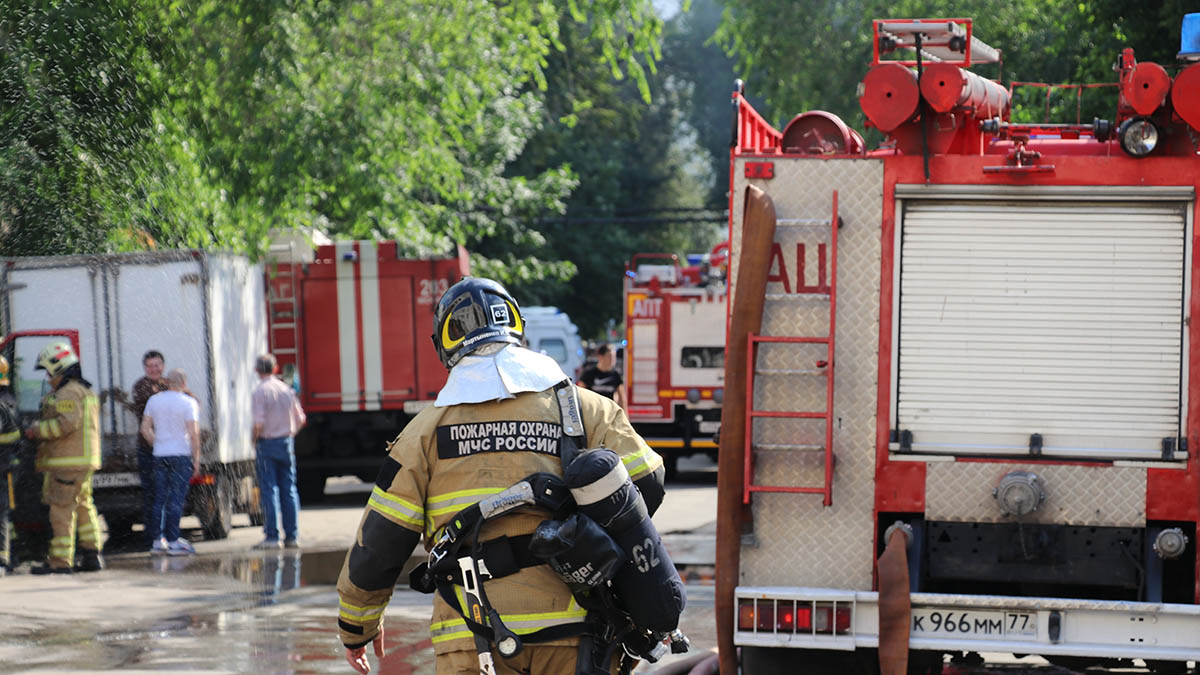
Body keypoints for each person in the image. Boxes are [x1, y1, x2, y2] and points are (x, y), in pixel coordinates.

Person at [335, 277, 666, 675]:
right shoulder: (586, 409)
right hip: (580, 637)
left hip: (473, 642)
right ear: (516, 326)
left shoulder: (423, 434)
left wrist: (358, 626)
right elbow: (648, 485)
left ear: (445, 343)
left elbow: (379, 546)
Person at [25, 340, 103, 575]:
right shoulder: (84, 390)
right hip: (84, 462)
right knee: (83, 506)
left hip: (66, 463)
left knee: (60, 511)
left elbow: (67, 424)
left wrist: (37, 430)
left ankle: (60, 562)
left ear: (59, 368)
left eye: (49, 371)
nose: (48, 377)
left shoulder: (68, 392)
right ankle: (92, 555)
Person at [140, 369, 201, 556]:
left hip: (160, 455)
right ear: (184, 384)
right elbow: (194, 433)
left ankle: (158, 540)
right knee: (176, 498)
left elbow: (145, 428)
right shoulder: (188, 403)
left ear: (166, 382)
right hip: (180, 455)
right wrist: (196, 459)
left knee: (159, 498)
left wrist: (155, 442)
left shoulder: (154, 400)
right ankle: (174, 540)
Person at [252, 353, 306, 549]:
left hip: (267, 443)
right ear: (275, 369)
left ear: (257, 370)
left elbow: (258, 423)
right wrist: (290, 434)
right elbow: (301, 419)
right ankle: (292, 536)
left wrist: (254, 440)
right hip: (286, 442)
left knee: (269, 490)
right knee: (289, 489)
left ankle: (272, 537)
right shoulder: (287, 390)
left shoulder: (260, 392)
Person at [115, 350, 168, 546]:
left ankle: (165, 534)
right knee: (151, 492)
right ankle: (152, 535)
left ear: (163, 366)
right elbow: (148, 405)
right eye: (150, 366)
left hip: (167, 448)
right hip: (148, 447)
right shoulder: (141, 386)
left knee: (164, 492)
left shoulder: (167, 384)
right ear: (145, 368)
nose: (154, 369)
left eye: (157, 365)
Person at [0, 356, 20, 576]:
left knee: (1, 513)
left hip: (3, 467)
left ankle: (3, 560)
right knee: (5, 513)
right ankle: (12, 556)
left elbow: (9, 436)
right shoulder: (8, 399)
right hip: (6, 466)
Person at [579, 344, 626, 411]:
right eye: (609, 356)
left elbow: (622, 399)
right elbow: (580, 396)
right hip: (593, 413)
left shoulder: (615, 375)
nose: (612, 359)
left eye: (614, 357)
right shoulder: (589, 374)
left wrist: (625, 418)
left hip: (609, 414)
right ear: (600, 357)